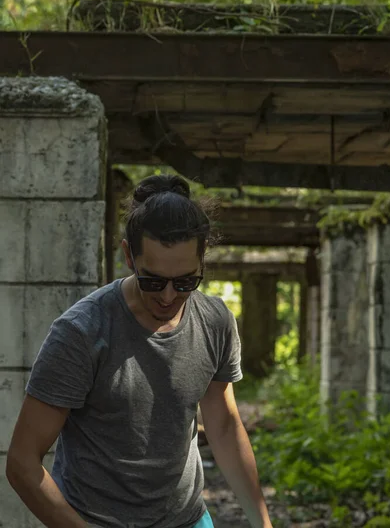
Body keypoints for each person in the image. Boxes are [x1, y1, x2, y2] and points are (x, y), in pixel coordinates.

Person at [6, 174, 273, 528]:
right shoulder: (81, 333)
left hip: (188, 519)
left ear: (203, 259)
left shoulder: (215, 321)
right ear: (128, 256)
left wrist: (263, 523)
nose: (167, 297)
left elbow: (223, 426)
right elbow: (22, 462)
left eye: (185, 282)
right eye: (153, 281)